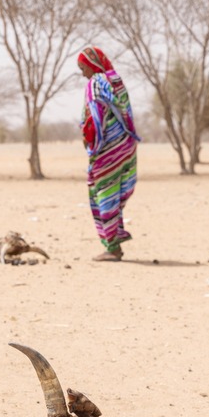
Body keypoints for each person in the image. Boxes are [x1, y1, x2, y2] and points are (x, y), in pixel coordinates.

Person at [77, 46, 140, 261]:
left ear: (92, 65)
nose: (82, 72)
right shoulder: (116, 81)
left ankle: (112, 247)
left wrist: (90, 139)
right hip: (126, 145)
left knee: (103, 193)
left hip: (107, 149)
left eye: (83, 67)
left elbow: (95, 116)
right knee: (114, 193)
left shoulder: (95, 83)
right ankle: (115, 244)